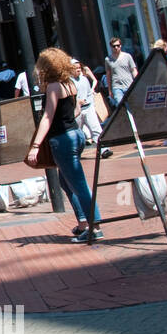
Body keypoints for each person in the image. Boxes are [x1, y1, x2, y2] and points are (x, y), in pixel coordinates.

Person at [27, 48, 102, 243]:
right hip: (75, 134)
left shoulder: (53, 87)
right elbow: (76, 110)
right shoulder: (70, 85)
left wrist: (36, 145)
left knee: (78, 184)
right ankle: (84, 222)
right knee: (66, 183)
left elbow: (47, 117)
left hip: (63, 139)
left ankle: (94, 226)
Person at [71, 58, 110, 156]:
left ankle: (104, 149)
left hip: (88, 108)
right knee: (77, 134)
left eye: (79, 68)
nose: (78, 70)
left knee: (96, 128)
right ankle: (75, 153)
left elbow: (88, 93)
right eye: (76, 68)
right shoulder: (68, 81)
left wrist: (91, 104)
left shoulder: (84, 79)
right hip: (77, 110)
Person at [105, 37, 137, 108]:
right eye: (114, 46)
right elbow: (108, 75)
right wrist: (110, 90)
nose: (116, 47)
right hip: (117, 87)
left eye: (118, 45)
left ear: (121, 45)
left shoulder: (127, 56)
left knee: (132, 106)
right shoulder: (108, 59)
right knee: (120, 106)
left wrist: (137, 82)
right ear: (111, 47)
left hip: (129, 85)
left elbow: (133, 70)